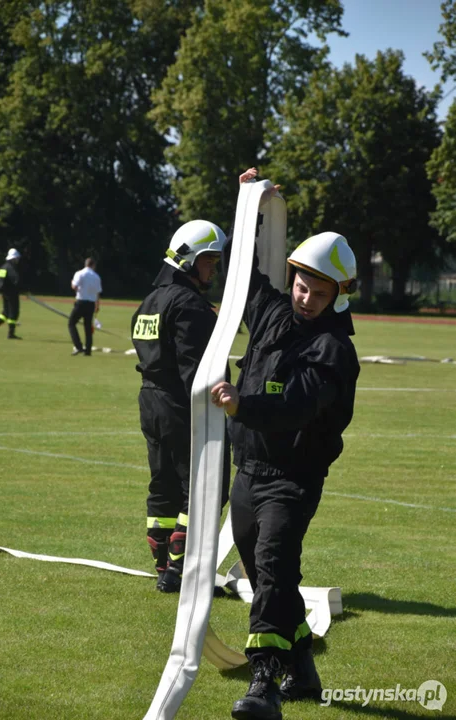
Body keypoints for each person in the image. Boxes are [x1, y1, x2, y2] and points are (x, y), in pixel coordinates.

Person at [211, 168, 360, 720]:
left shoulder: (333, 350)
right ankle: (303, 669)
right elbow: (240, 280)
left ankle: (264, 687)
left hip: (292, 479)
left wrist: (240, 405)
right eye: (301, 284)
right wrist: (248, 207)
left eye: (319, 292)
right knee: (267, 577)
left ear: (338, 295)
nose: (305, 298)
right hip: (248, 469)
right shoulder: (274, 310)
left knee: (273, 566)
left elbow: (296, 405)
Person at [131, 220, 231, 593]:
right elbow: (198, 371)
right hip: (183, 407)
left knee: (163, 487)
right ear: (189, 260)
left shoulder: (149, 301)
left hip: (151, 403)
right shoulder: (189, 304)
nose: (214, 270)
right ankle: (182, 572)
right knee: (204, 488)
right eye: (209, 261)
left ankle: (163, 568)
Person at [68, 257, 102, 356]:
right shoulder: (96, 276)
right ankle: (88, 350)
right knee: (88, 327)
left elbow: (74, 286)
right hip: (91, 304)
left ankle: (78, 346)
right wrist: (97, 305)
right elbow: (97, 293)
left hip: (81, 302)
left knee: (71, 323)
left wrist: (72, 283)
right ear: (93, 265)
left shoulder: (79, 274)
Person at [0, 248, 23, 340]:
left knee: (6, 312)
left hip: (4, 293)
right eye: (17, 258)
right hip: (12, 293)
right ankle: (11, 334)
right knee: (14, 313)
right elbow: (16, 280)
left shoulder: (3, 267)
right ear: (13, 259)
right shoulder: (11, 268)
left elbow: (0, 282)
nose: (18, 260)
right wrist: (21, 289)